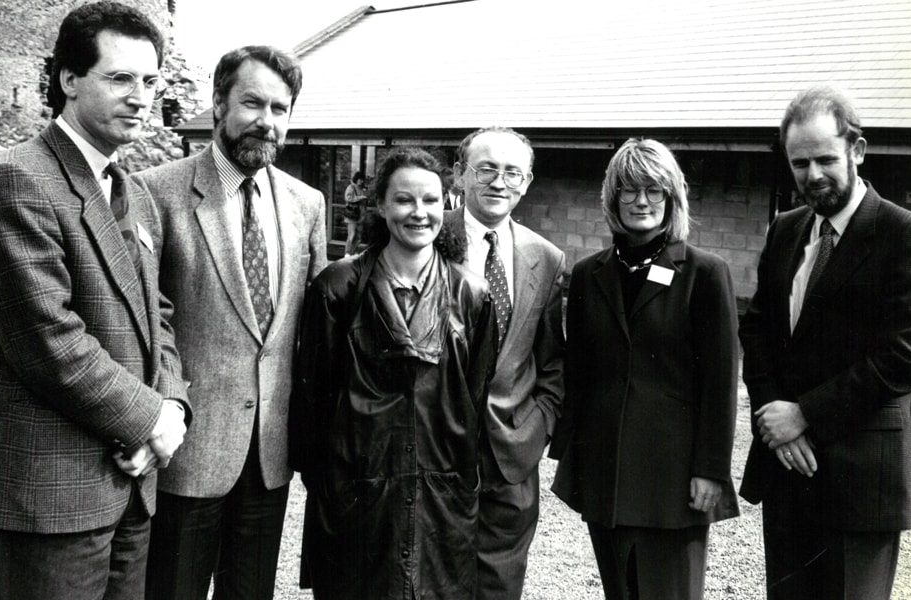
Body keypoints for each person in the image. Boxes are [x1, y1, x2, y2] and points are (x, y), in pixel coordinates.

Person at [0, 2, 190, 599]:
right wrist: (150, 420)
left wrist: (172, 407)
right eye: (120, 78)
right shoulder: (18, 180)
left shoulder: (133, 191)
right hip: (49, 500)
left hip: (130, 488)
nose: (141, 97)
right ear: (69, 80)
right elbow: (49, 341)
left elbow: (160, 318)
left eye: (150, 81)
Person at [134, 46, 327, 600]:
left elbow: (311, 331)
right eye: (251, 103)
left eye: (280, 108)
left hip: (269, 453)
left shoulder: (307, 203)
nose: (266, 121)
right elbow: (150, 321)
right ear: (218, 103)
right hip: (185, 450)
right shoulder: (155, 192)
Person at [739, 85, 911, 599]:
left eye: (825, 159)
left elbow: (900, 360)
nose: (813, 176)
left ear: (857, 150)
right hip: (787, 469)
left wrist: (803, 414)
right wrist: (773, 419)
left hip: (862, 480)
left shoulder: (908, 235)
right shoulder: (785, 229)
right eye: (799, 163)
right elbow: (757, 328)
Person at [291, 147, 498, 599]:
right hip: (357, 497)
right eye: (404, 200)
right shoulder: (339, 288)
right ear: (381, 206)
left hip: (441, 500)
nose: (419, 213)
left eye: (431, 200)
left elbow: (474, 403)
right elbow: (312, 404)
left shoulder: (472, 295)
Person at [549, 138, 740, 599]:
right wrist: (567, 460)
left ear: (672, 198)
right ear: (612, 198)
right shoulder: (590, 274)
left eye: (654, 190)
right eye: (629, 190)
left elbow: (721, 383)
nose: (641, 201)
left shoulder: (705, 273)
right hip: (606, 477)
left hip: (673, 481)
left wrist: (711, 470)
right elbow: (578, 374)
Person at [447, 126, 566, 599]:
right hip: (435, 452)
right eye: (486, 169)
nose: (499, 182)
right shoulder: (426, 238)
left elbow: (553, 363)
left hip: (511, 457)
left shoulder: (546, 257)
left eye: (512, 172)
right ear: (459, 174)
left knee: (499, 589)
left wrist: (536, 430)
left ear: (528, 182)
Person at [343, 171, 367, 256]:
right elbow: (348, 198)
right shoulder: (351, 187)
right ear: (356, 179)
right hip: (352, 215)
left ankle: (355, 252)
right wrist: (360, 197)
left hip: (361, 215)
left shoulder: (363, 189)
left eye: (362, 180)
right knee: (351, 235)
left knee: (358, 236)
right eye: (360, 179)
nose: (361, 181)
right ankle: (347, 253)